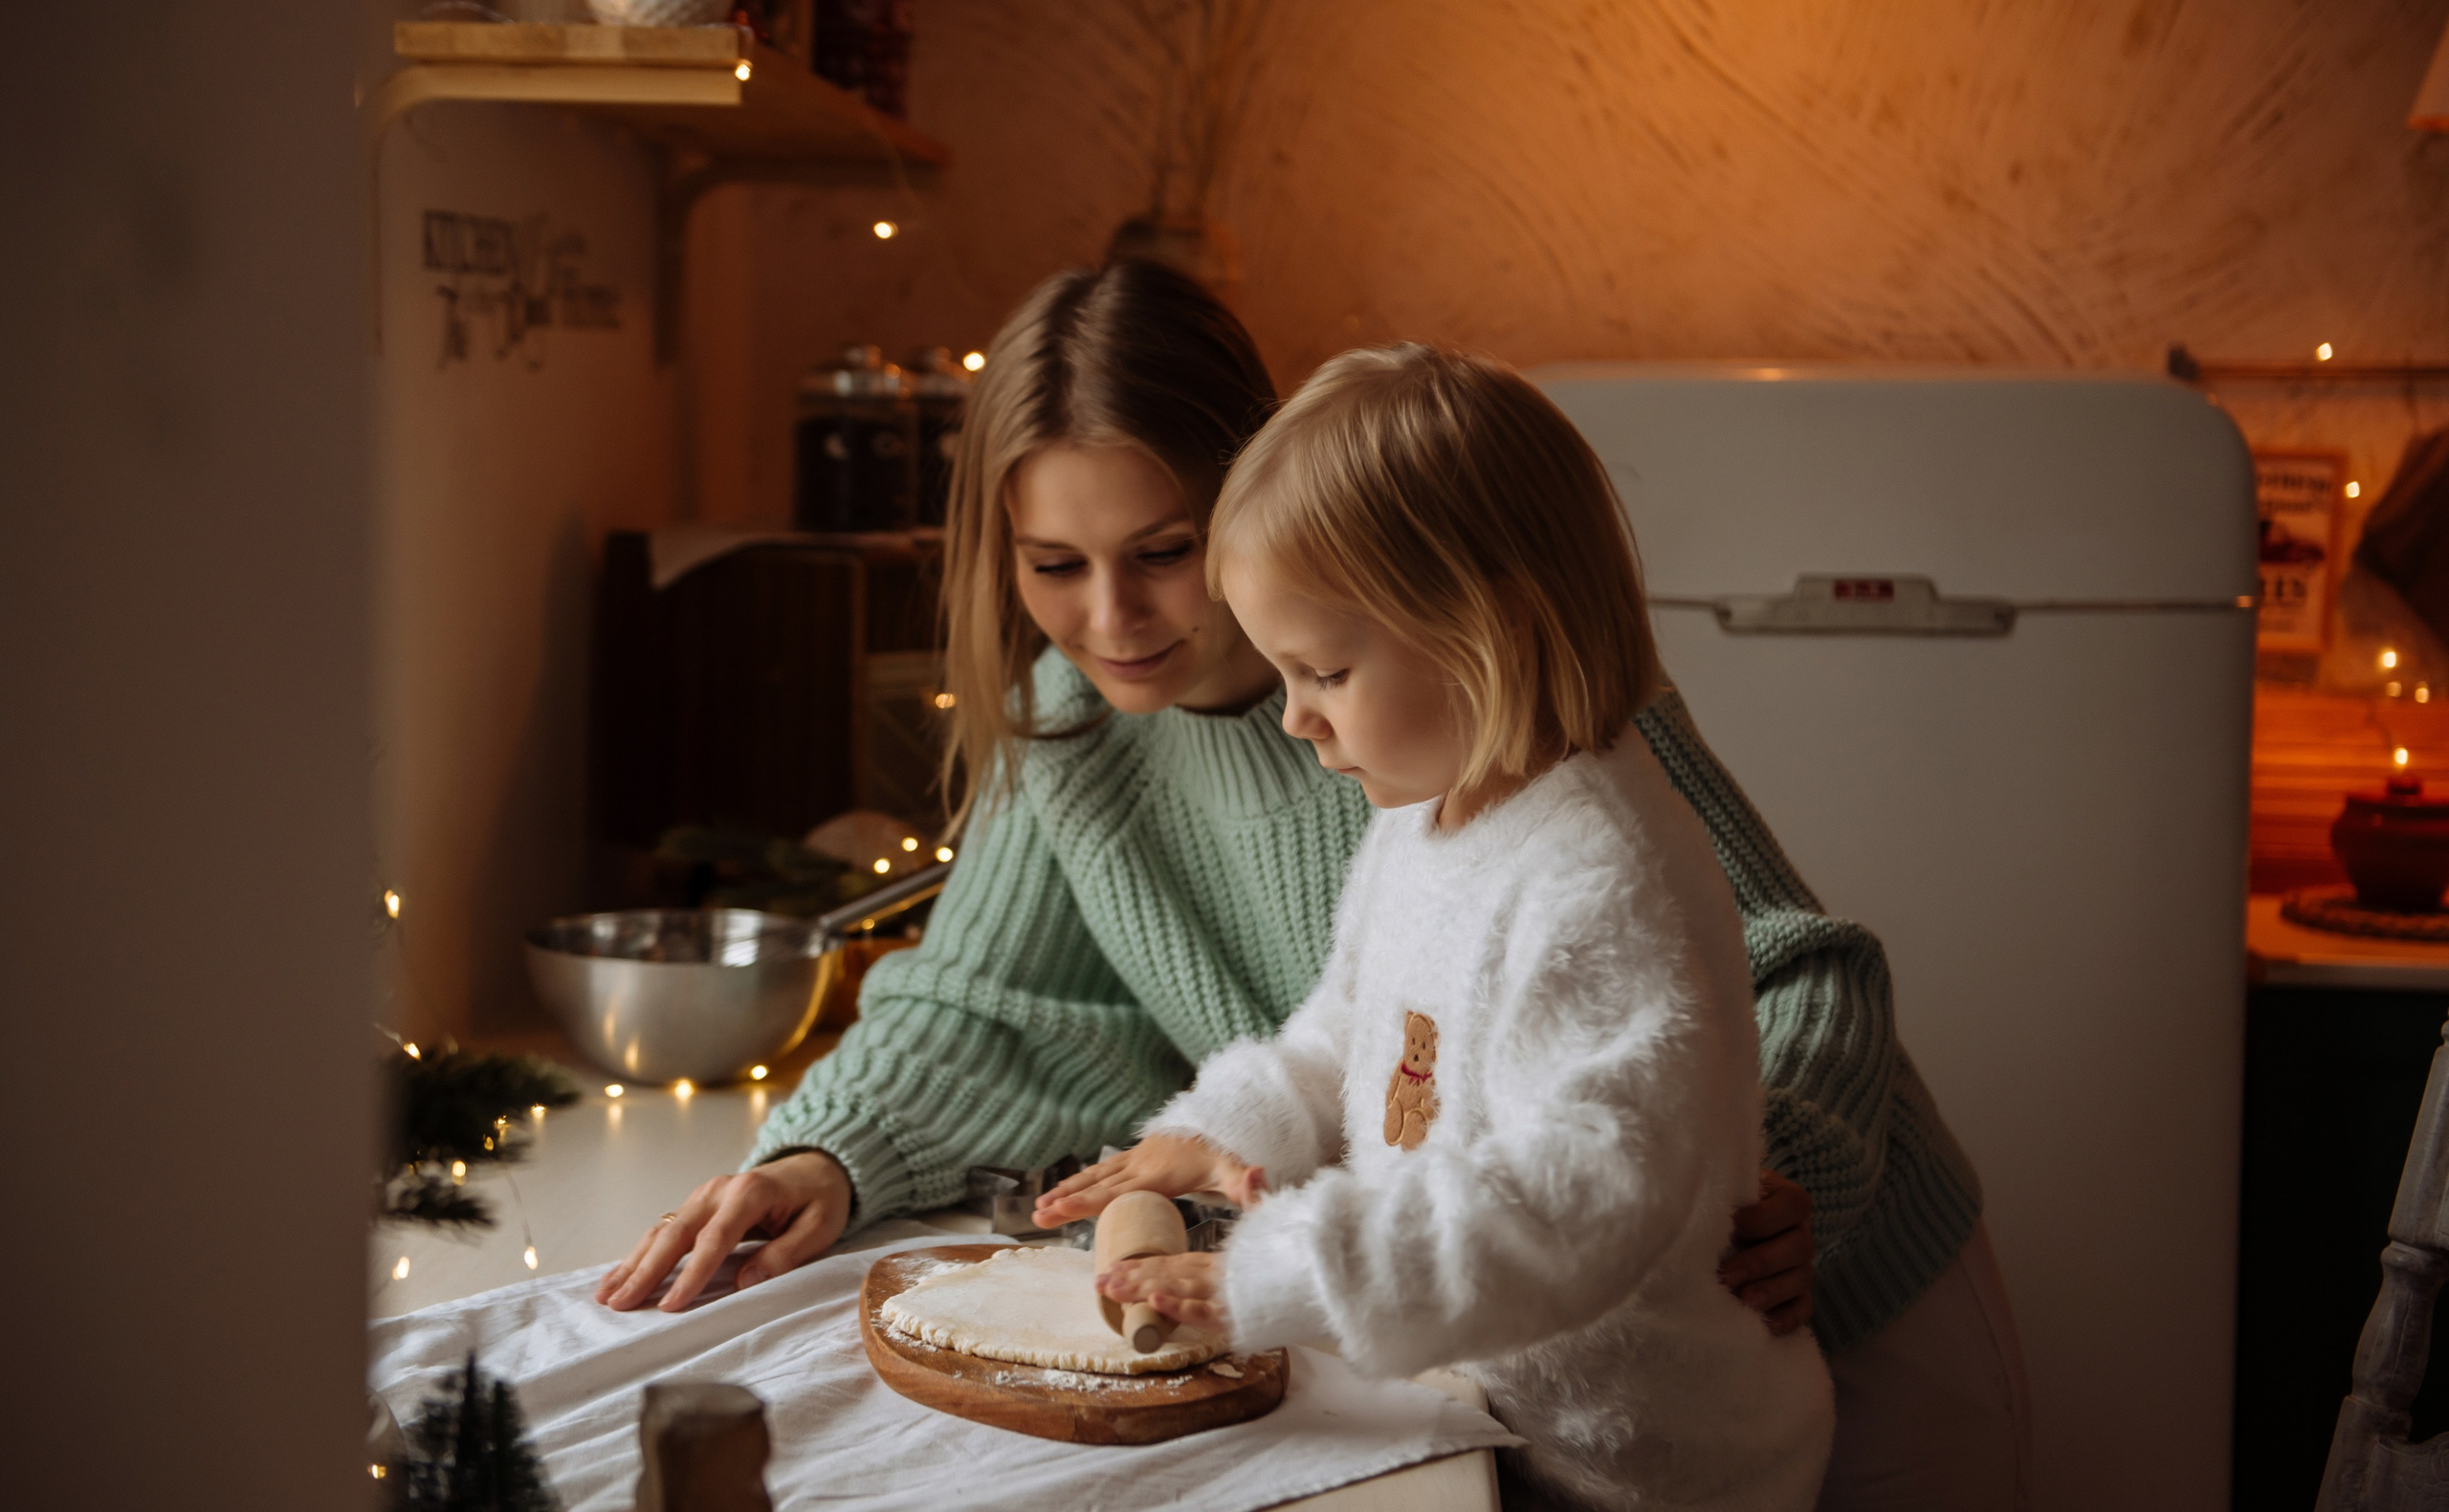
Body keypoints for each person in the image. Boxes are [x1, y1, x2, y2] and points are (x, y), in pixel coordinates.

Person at [594, 259, 2027, 1510]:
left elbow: (1793, 969)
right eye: (1054, 564)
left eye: (1165, 552)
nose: (1111, 618)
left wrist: (1763, 1178)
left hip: (1800, 1308)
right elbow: (993, 1007)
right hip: (1531, 1353)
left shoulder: (1502, 712)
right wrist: (824, 1158)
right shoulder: (1081, 727)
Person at [1040, 343, 1833, 1509]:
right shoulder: (1428, 811)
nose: (1296, 719)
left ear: (1486, 627)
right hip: (1486, 1411)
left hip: (1640, 1461)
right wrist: (1218, 1133)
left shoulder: (1594, 872)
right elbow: (1347, 1033)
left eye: (1325, 671)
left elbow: (1575, 1193)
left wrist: (1284, 1272)